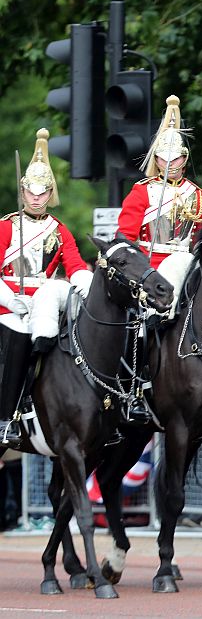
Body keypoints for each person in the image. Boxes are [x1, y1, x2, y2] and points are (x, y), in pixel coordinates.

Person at [0, 129, 93, 446]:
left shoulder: (59, 229)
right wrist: (12, 302)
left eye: (43, 192)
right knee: (18, 336)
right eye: (31, 191)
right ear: (23, 192)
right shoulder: (6, 227)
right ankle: (6, 418)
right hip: (8, 305)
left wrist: (86, 286)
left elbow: (76, 266)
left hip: (45, 303)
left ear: (50, 193)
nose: (37, 197)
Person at [116, 95, 202, 270]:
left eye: (175, 159)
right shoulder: (142, 190)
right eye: (164, 159)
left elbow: (201, 240)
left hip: (185, 265)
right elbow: (126, 236)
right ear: (157, 160)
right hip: (148, 266)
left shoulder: (197, 195)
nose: (169, 164)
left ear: (184, 158)